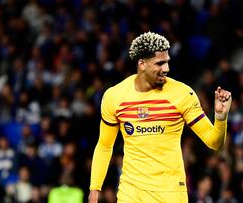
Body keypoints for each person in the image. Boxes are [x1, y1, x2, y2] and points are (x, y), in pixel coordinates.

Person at [88, 31, 232, 203]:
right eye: (160, 63)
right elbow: (105, 146)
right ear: (142, 64)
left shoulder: (182, 94)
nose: (166, 69)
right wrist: (94, 189)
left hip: (170, 193)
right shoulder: (114, 96)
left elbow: (214, 142)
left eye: (167, 62)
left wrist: (221, 118)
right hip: (131, 192)